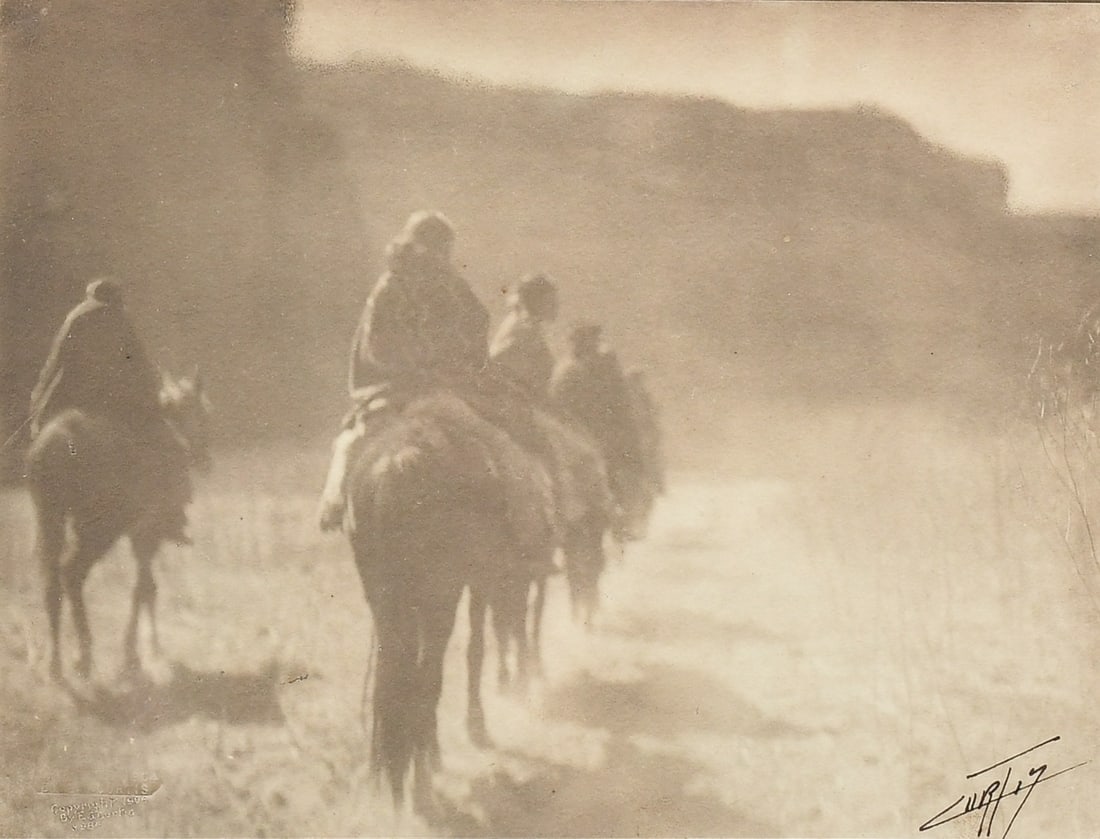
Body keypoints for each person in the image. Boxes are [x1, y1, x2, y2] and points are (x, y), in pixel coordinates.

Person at [320, 210, 550, 532]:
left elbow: (473, 331)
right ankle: (529, 529)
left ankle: (335, 505)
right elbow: (380, 345)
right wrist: (429, 368)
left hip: (426, 390)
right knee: (500, 443)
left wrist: (450, 365)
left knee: (351, 445)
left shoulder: (436, 287)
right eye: (432, 245)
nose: (436, 254)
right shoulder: (403, 287)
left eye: (440, 247)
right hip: (409, 391)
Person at [28, 278, 192, 543]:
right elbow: (141, 364)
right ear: (116, 300)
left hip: (72, 403)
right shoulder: (120, 319)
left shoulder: (74, 319)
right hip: (116, 404)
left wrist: (38, 409)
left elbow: (54, 366)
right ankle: (174, 520)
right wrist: (154, 394)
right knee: (170, 446)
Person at [550, 322, 642, 511]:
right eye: (589, 342)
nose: (593, 347)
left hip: (587, 431)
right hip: (576, 432)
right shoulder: (572, 370)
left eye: (593, 342)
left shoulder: (584, 367)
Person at [489, 273, 559, 398]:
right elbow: (498, 359)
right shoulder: (524, 329)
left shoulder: (526, 324)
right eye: (551, 301)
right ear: (536, 302)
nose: (556, 306)